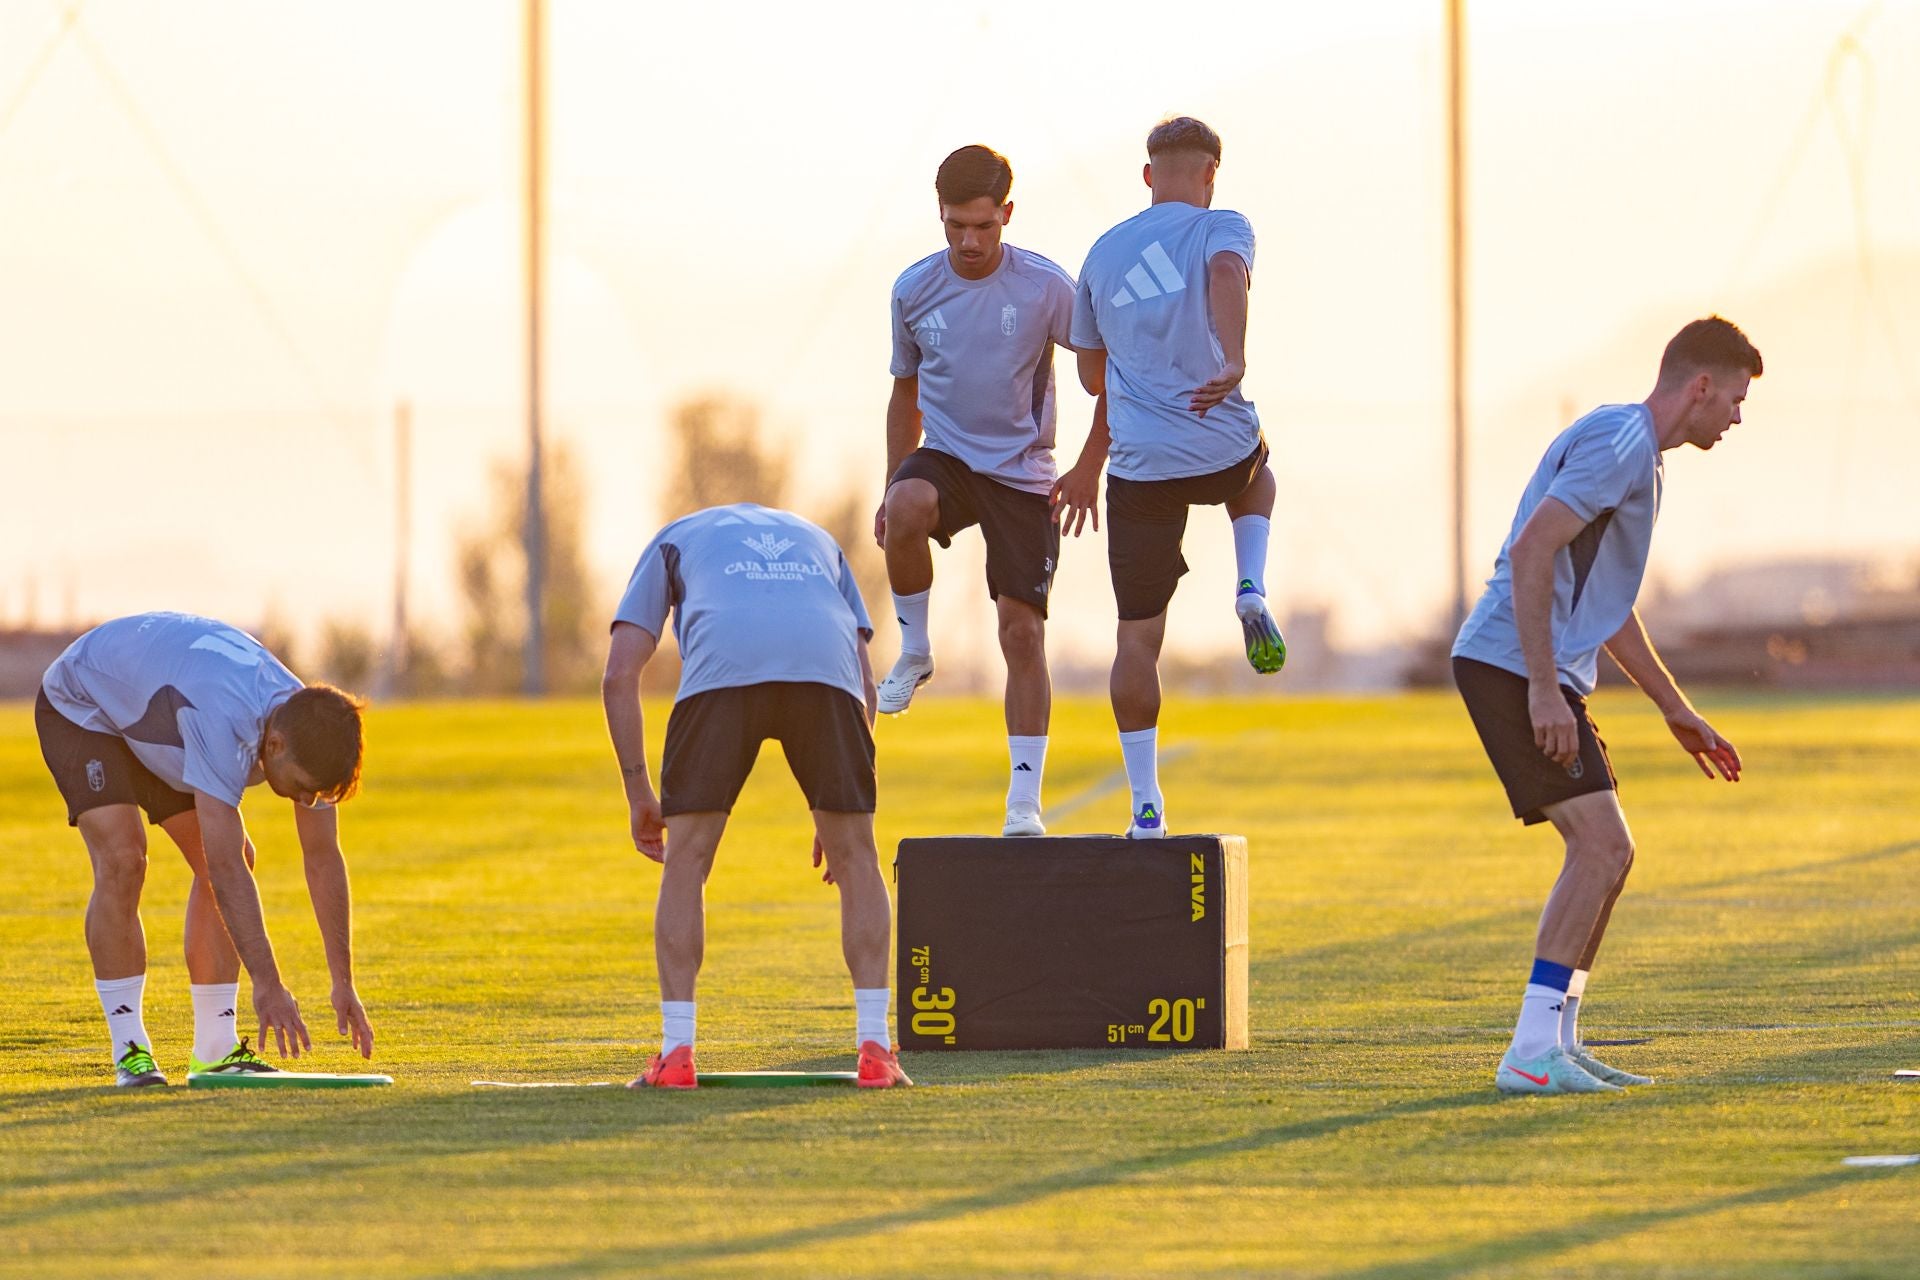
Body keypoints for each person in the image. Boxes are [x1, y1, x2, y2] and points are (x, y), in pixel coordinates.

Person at [1452, 316, 1761, 1095]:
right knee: (1601, 847)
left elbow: (1609, 606)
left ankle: (1557, 1039)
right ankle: (1530, 1051)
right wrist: (1543, 685)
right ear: (1698, 387)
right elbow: (1532, 549)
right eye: (1732, 398)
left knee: (1610, 857)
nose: (1735, 417)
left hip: (1530, 669)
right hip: (1508, 665)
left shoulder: (1642, 461)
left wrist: (1674, 709)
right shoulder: (1621, 443)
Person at [602, 502, 910, 1089]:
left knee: (686, 861)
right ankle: (875, 1049)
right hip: (826, 672)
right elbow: (865, 684)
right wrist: (837, 812)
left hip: (722, 669)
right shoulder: (819, 541)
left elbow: (619, 674)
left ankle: (676, 1054)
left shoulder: (672, 538)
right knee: (859, 858)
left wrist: (638, 789)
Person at [1054, 116, 1285, 840]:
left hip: (1140, 466)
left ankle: (1146, 804)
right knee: (1257, 479)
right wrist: (1231, 357)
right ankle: (1250, 587)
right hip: (1216, 438)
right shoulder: (1223, 224)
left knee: (1137, 642)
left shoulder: (1101, 252)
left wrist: (1097, 449)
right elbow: (1225, 274)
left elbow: (1094, 376)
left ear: (1148, 175)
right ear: (1211, 174)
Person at [34, 611, 372, 1087]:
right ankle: (130, 1051)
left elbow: (321, 857)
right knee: (125, 859)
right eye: (303, 788)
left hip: (162, 715)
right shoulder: (223, 719)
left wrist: (344, 983)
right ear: (273, 745)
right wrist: (269, 985)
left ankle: (215, 1049)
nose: (307, 801)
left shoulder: (311, 723)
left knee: (237, 857)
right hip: (84, 704)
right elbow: (224, 865)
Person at [874, 144, 1080, 837]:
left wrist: (1093, 465)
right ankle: (915, 650)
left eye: (983, 226)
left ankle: (1024, 802)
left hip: (1023, 473)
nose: (968, 240)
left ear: (1007, 216)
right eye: (955, 225)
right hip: (951, 458)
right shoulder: (913, 290)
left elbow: (1106, 371)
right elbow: (905, 398)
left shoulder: (1048, 288)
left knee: (1021, 634)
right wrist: (891, 482)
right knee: (905, 507)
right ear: (940, 216)